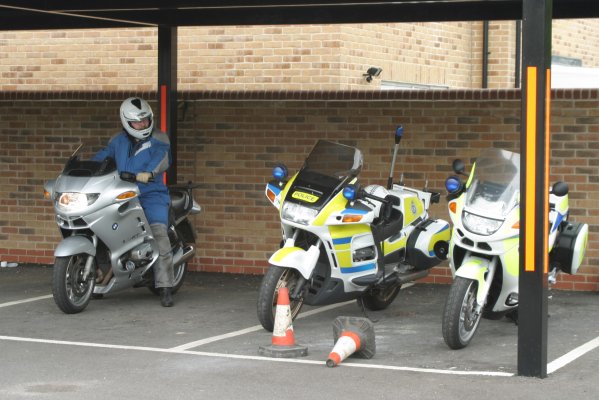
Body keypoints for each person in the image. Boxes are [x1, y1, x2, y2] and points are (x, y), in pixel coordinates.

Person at [93, 97, 175, 307]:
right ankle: (103, 274)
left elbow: (161, 158)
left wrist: (148, 173)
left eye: (146, 120)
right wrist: (88, 168)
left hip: (151, 193)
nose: (143, 125)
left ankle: (165, 286)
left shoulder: (159, 138)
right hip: (121, 193)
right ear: (126, 122)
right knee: (100, 228)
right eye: (137, 122)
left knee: (158, 234)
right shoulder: (117, 141)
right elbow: (103, 157)